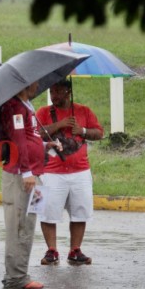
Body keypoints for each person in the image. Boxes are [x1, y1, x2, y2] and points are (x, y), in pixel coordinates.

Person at [0, 81, 60, 289]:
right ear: (25, 84)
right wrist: (26, 171)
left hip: (36, 175)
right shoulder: (15, 108)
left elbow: (29, 137)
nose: (38, 85)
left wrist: (44, 145)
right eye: (34, 81)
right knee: (19, 226)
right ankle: (16, 276)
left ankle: (20, 272)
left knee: (30, 222)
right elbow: (17, 140)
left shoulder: (27, 106)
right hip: (24, 177)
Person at [36, 79, 103, 265]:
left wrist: (81, 130)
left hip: (80, 171)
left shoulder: (84, 111)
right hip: (49, 172)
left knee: (80, 211)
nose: (54, 95)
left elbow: (99, 133)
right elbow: (35, 134)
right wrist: (60, 124)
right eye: (51, 91)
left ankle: (75, 250)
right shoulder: (43, 112)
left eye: (58, 91)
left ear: (68, 92)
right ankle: (51, 250)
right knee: (47, 212)